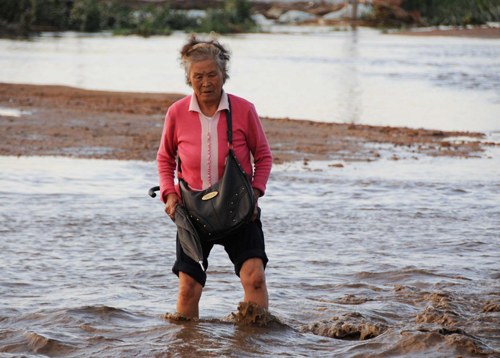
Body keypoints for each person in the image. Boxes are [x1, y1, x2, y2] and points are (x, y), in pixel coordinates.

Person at [157, 35, 273, 318]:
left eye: (212, 74)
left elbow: (264, 157)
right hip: (193, 215)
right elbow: (165, 158)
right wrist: (169, 195)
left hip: (239, 210)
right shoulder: (176, 112)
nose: (206, 82)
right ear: (188, 77)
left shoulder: (244, 110)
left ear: (224, 74)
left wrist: (254, 194)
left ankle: (253, 345)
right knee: (188, 289)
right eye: (198, 76)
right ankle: (188, 346)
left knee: (254, 278)